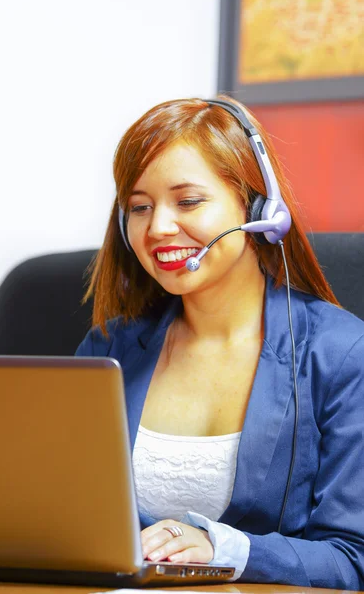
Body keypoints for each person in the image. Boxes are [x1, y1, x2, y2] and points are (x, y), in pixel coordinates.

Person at [75, 95, 364, 590]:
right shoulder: (109, 347)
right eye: (139, 207)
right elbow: (61, 511)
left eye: (188, 201)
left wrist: (223, 550)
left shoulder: (340, 354)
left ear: (258, 206)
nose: (159, 227)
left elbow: (352, 559)